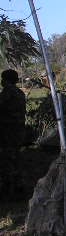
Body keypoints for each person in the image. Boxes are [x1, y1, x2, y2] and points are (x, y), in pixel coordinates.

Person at [0, 69, 27, 197]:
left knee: (7, 160)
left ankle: (9, 189)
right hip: (19, 130)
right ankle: (19, 185)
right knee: (16, 158)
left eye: (2, 79)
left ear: (6, 80)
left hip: (8, 130)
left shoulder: (7, 92)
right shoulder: (20, 92)